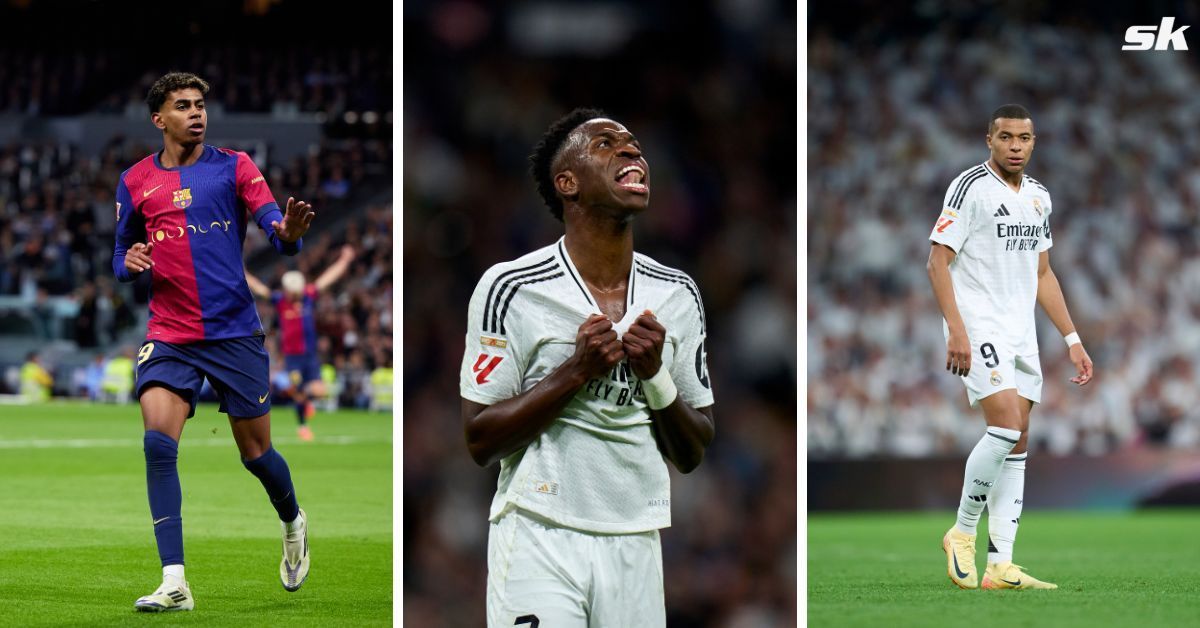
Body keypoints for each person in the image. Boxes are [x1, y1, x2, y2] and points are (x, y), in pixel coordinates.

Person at [460, 108, 716, 626]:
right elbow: (479, 439)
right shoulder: (511, 287)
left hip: (636, 540)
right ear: (567, 182)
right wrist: (575, 371)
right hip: (539, 531)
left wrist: (655, 376)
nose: (630, 150)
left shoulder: (678, 293)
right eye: (606, 143)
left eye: (634, 144)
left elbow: (692, 451)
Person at [113, 72, 315, 612]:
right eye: (183, 106)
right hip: (170, 333)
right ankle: (174, 581)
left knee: (255, 453)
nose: (196, 113)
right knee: (158, 443)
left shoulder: (235, 167)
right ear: (160, 120)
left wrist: (290, 235)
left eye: (200, 105)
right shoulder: (135, 180)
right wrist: (129, 262)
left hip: (232, 332)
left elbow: (278, 229)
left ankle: (293, 519)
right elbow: (119, 253)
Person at [927, 104, 1094, 591]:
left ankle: (1000, 566)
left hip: (1021, 330)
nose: (1015, 146)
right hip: (978, 324)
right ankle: (961, 533)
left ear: (1034, 142)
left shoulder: (1040, 197)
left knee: (1018, 444)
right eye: (1006, 138)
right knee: (1005, 425)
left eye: (1024, 138)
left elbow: (1043, 274)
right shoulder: (970, 187)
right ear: (989, 140)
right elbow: (938, 263)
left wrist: (1073, 339)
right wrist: (956, 328)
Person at [245, 244, 354, 440]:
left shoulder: (308, 298)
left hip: (310, 355)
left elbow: (327, 279)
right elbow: (260, 289)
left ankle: (305, 401)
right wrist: (242, 271)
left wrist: (344, 261)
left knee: (318, 391)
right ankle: (302, 426)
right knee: (298, 394)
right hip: (293, 356)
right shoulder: (280, 301)